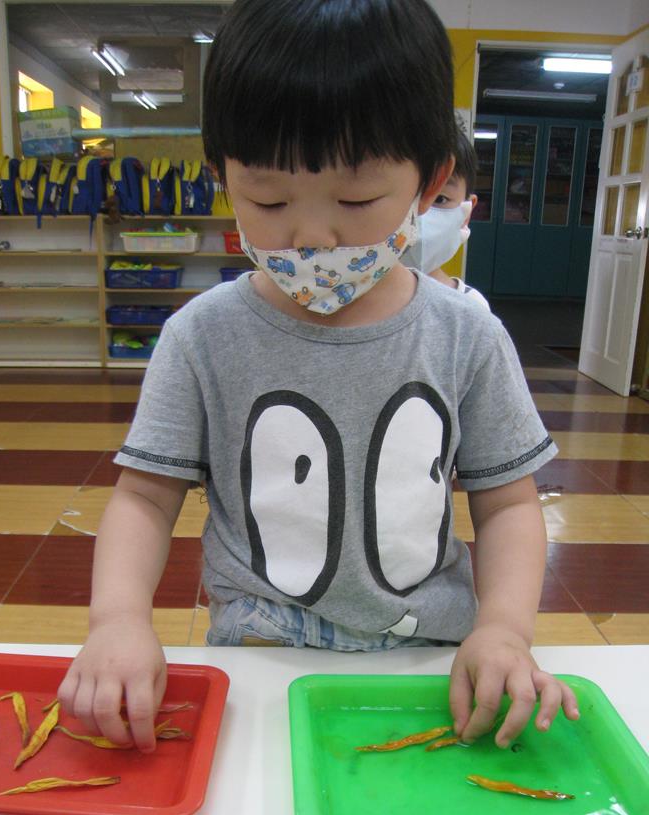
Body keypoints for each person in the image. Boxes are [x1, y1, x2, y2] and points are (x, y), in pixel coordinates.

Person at [58, 0, 578, 755]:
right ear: (223, 178)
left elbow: (508, 506)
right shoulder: (202, 337)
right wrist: (117, 621)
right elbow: (143, 497)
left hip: (430, 663)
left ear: (429, 182)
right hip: (259, 660)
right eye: (268, 200)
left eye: (357, 199)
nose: (311, 236)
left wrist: (503, 630)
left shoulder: (467, 335)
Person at [402, 128, 490, 308]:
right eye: (405, 197)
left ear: (466, 214)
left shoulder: (471, 308)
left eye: (439, 199)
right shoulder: (347, 303)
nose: (420, 215)